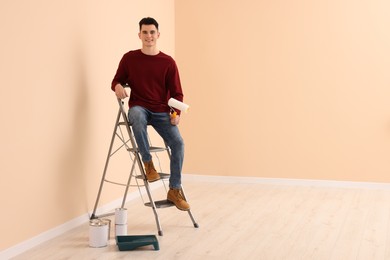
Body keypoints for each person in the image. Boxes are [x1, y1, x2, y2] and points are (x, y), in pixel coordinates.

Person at [111, 17, 190, 211]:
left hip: (162, 111)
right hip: (140, 107)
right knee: (136, 115)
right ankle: (148, 164)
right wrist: (118, 86)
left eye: (152, 32)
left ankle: (174, 189)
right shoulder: (129, 58)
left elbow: (177, 92)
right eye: (145, 32)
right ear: (139, 35)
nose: (149, 36)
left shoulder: (168, 62)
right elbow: (116, 80)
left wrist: (176, 113)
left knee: (179, 143)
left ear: (158, 34)